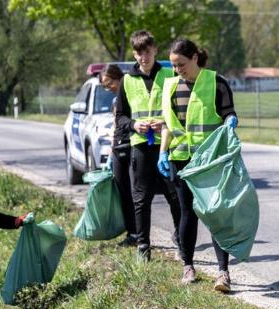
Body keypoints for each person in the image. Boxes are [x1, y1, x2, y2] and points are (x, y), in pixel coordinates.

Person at [158, 38, 239, 291]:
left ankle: (223, 273)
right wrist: (163, 152)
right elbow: (167, 124)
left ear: (194, 58)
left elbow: (228, 112)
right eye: (173, 65)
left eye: (181, 64)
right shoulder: (170, 86)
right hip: (181, 159)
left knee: (215, 214)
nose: (177, 70)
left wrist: (231, 121)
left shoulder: (216, 82)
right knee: (187, 213)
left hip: (210, 161)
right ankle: (188, 267)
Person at [115, 30, 182, 262]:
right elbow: (120, 117)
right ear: (134, 54)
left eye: (147, 52)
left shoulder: (170, 74)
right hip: (141, 146)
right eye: (139, 53)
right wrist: (134, 125)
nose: (143, 57)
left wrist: (165, 122)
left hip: (168, 145)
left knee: (175, 196)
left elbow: (180, 109)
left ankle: (181, 239)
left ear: (155, 50)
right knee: (141, 199)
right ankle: (143, 246)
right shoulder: (127, 81)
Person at [100, 64, 138, 246]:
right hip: (118, 147)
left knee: (134, 193)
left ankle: (139, 233)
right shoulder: (116, 99)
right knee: (123, 193)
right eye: (105, 86)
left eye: (109, 83)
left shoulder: (130, 94)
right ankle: (132, 233)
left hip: (131, 146)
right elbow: (116, 124)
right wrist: (111, 149)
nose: (108, 88)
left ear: (119, 78)